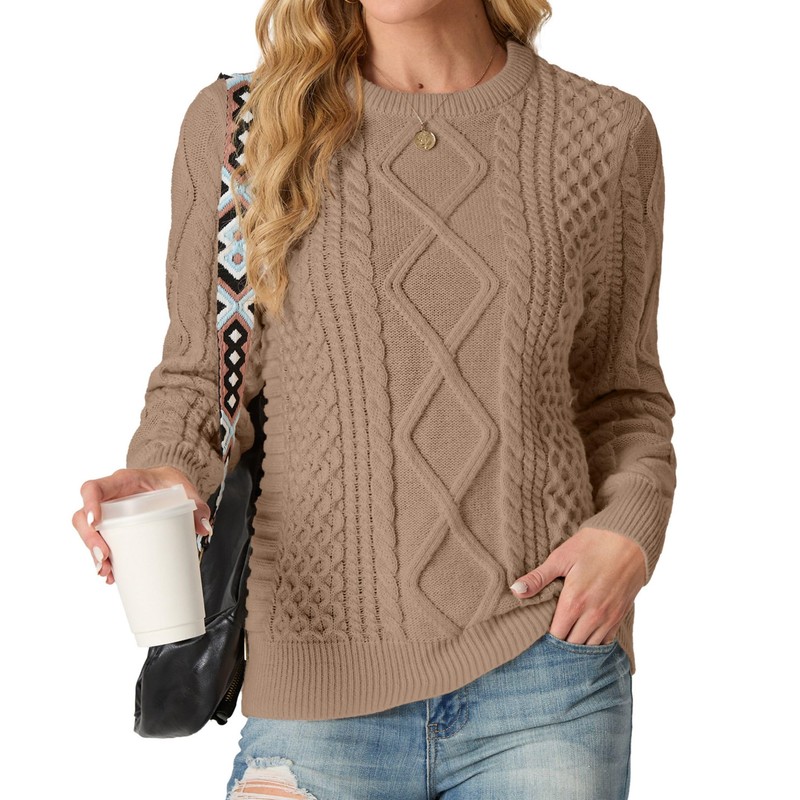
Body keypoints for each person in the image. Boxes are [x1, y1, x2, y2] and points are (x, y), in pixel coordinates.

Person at [72, 1, 678, 797]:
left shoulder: (604, 131)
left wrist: (630, 529)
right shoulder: (242, 127)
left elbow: (621, 397)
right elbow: (201, 380)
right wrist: (162, 470)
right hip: (316, 685)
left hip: (545, 671)